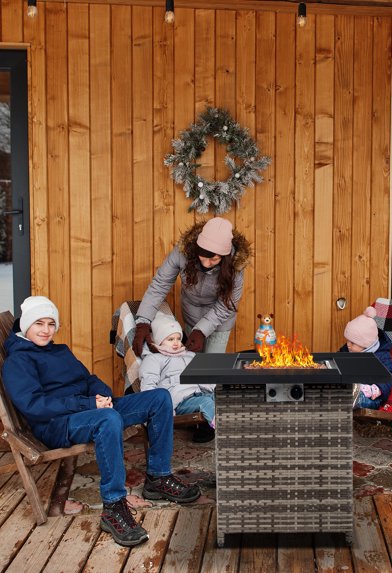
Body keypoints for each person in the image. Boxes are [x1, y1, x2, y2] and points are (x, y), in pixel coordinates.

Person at [2, 296, 201, 547]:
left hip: (89, 409)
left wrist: (102, 395)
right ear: (26, 325)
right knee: (108, 419)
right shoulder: (18, 361)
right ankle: (114, 506)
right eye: (39, 323)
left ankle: (158, 478)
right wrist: (88, 404)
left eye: (51, 324)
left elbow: (87, 379)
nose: (46, 330)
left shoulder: (59, 350)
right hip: (56, 425)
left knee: (159, 398)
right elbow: (36, 406)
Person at [132, 217, 251, 356]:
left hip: (220, 319)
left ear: (225, 257)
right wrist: (143, 322)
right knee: (192, 360)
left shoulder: (235, 265)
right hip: (191, 313)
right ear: (197, 248)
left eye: (214, 259)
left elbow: (227, 304)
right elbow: (159, 285)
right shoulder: (182, 252)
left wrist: (201, 331)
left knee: (212, 363)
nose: (206, 264)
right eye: (203, 256)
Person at [139, 312, 216, 440]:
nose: (176, 343)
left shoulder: (189, 355)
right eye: (170, 339)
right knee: (206, 403)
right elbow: (148, 384)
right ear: (159, 340)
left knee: (224, 397)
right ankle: (221, 429)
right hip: (180, 400)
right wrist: (156, 410)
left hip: (202, 392)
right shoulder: (154, 359)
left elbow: (204, 374)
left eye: (178, 338)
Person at [340, 307, 392, 409]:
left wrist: (375, 389)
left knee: (364, 400)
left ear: (366, 345)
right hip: (350, 387)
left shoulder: (381, 357)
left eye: (352, 342)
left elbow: (389, 376)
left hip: (370, 396)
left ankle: (355, 399)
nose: (348, 344)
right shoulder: (348, 350)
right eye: (347, 340)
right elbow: (337, 359)